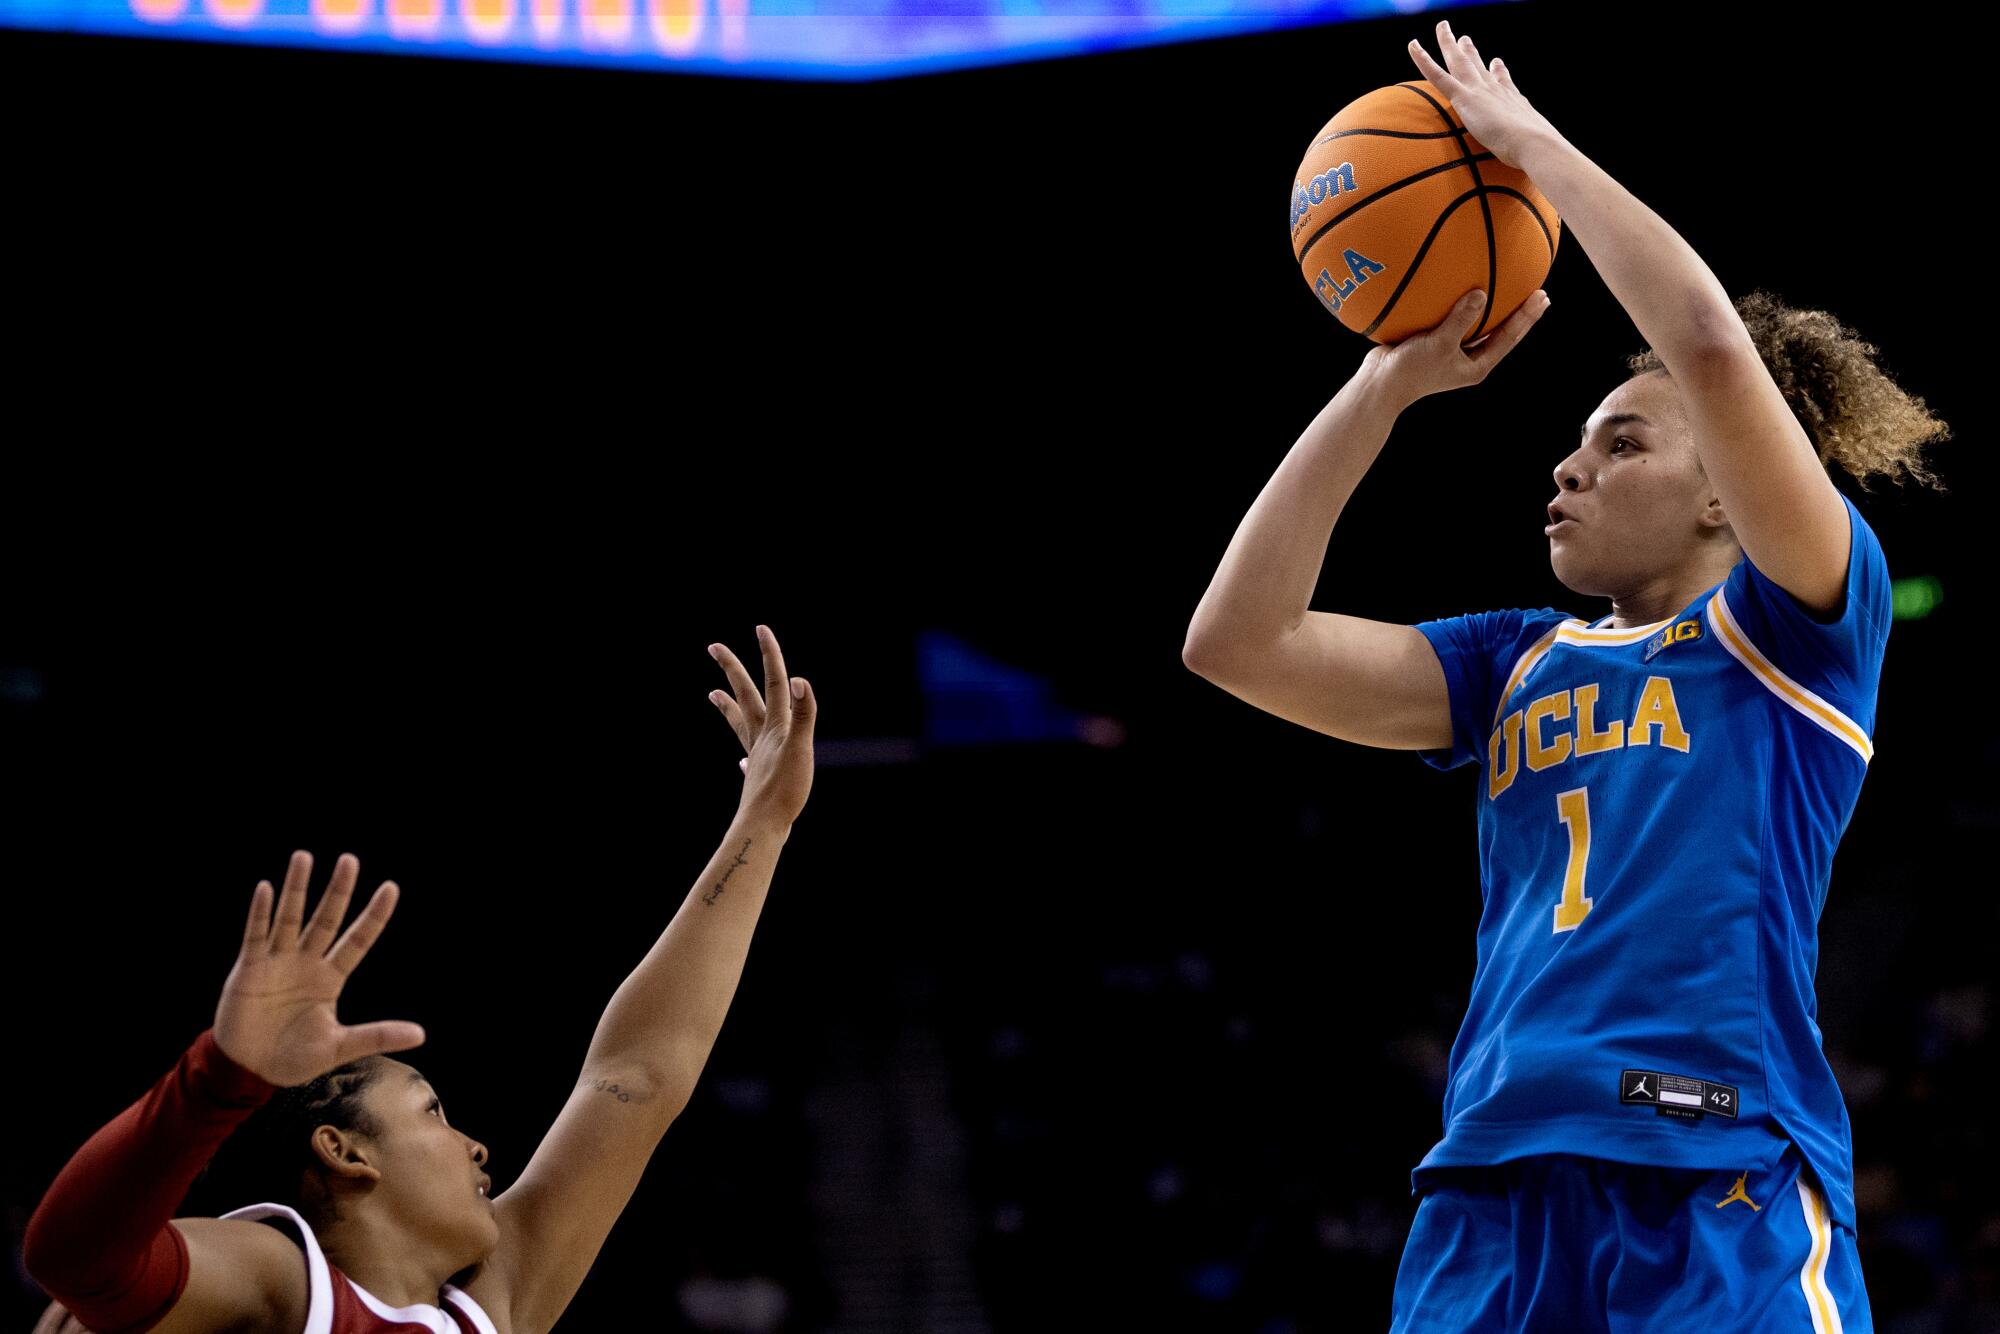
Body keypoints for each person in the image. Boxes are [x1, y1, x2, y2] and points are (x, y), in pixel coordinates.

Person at [1182, 20, 1948, 1332]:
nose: (1569, 464)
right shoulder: (1511, 660)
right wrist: (1381, 388)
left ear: (1724, 492)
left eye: (1622, 441)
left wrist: (1531, 148)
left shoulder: (1798, 631)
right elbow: (1235, 642)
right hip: (1489, 1184)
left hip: (1716, 1174)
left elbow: (1708, 347)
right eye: (1577, 444)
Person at [23, 626, 816, 1334]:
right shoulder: (288, 1286)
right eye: (432, 1111)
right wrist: (219, 1078)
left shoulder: (489, 1310)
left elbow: (637, 1078)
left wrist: (764, 823)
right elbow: (77, 1264)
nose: (477, 1146)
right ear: (343, 1152)